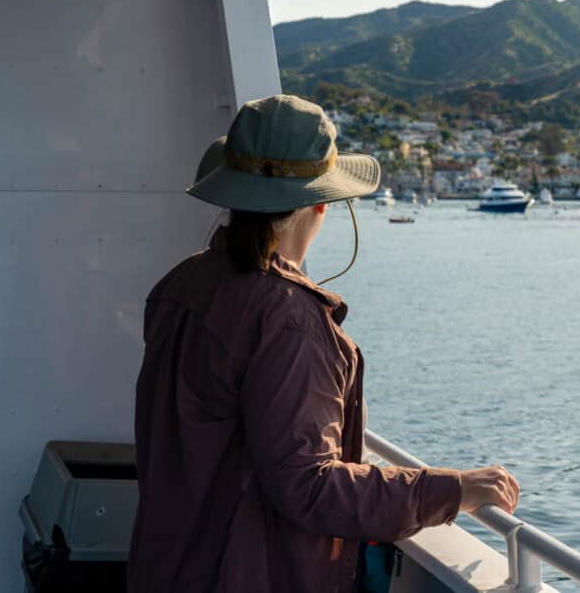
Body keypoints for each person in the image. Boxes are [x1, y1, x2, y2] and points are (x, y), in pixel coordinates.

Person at [127, 94, 519, 593]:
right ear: (320, 203)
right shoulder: (288, 319)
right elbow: (307, 486)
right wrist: (449, 490)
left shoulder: (182, 285)